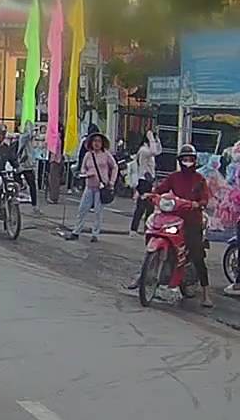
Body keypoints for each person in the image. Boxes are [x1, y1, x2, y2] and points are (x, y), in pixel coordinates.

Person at [126, 145, 213, 306]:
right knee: (154, 230)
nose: (187, 162)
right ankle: (144, 273)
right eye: (184, 159)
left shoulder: (199, 179)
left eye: (190, 159)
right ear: (180, 161)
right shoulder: (174, 177)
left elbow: (204, 198)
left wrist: (198, 203)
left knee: (197, 255)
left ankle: (206, 294)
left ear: (194, 161)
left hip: (192, 220)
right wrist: (150, 194)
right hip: (174, 216)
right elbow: (160, 189)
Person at [64, 132, 118, 242]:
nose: (96, 143)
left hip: (101, 187)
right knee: (82, 209)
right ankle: (76, 231)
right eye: (94, 141)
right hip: (89, 186)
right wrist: (86, 173)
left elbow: (115, 167)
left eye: (99, 141)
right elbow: (83, 168)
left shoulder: (106, 154)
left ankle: (95, 234)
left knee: (98, 212)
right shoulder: (88, 155)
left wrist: (112, 181)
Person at [128, 128, 164, 235]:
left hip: (149, 180)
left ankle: (147, 228)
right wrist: (151, 138)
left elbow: (158, 151)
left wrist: (157, 140)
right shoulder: (144, 150)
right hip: (143, 181)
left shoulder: (149, 150)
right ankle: (133, 229)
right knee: (141, 206)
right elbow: (154, 151)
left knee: (150, 206)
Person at [15, 125, 39, 211]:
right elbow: (27, 135)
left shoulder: (29, 140)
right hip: (24, 163)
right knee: (19, 182)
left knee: (32, 184)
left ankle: (34, 205)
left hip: (27, 164)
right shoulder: (24, 137)